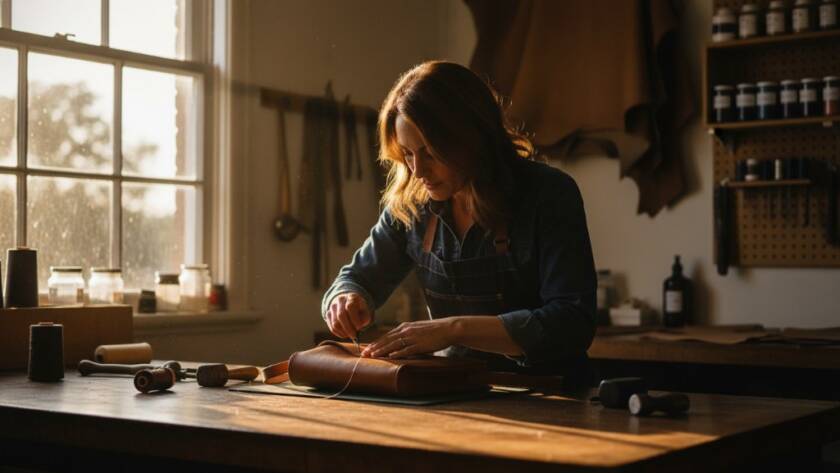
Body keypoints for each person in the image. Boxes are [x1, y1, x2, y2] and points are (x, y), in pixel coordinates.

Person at [321, 60, 596, 377]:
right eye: (408, 154)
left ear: (472, 137)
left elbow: (572, 322)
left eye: (430, 152)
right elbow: (356, 279)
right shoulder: (412, 205)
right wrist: (345, 298)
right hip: (456, 388)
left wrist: (454, 330)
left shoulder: (548, 194)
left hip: (550, 391)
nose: (417, 171)